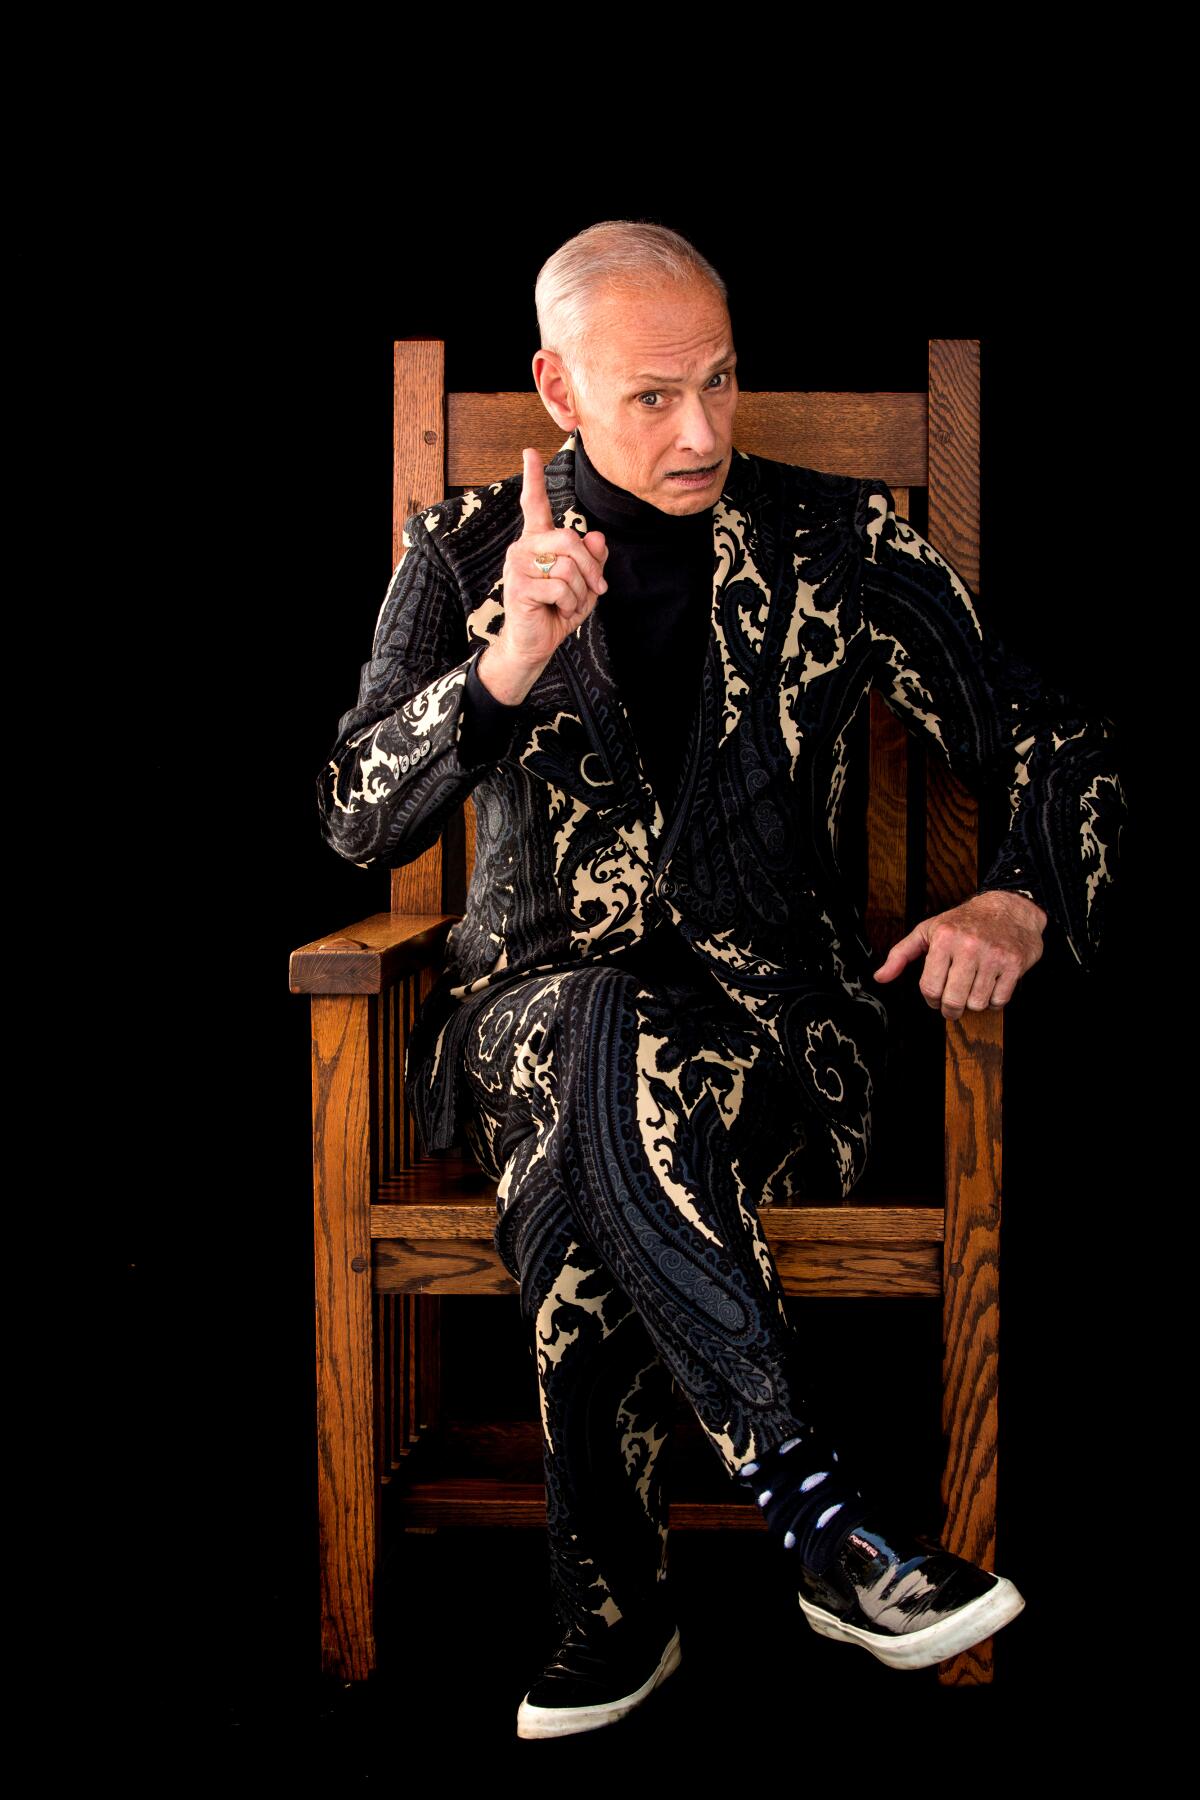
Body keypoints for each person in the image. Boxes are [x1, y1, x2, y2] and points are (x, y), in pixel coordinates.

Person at [316, 222, 1124, 1738]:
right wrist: (502, 665)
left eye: (724, 383)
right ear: (558, 386)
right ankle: (826, 1519)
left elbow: (1053, 740)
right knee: (587, 1032)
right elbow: (355, 810)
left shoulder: (843, 542)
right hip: (515, 1032)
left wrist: (1017, 898)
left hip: (778, 1040)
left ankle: (612, 1603)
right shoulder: (459, 554)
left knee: (596, 1092)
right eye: (650, 398)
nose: (699, 432)